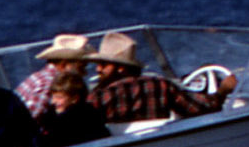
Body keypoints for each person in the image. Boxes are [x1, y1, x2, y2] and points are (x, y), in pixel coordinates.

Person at [86, 32, 236, 124]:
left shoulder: (98, 98)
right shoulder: (160, 85)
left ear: (120, 67)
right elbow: (201, 108)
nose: (98, 69)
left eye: (103, 64)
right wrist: (223, 90)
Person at [16, 34, 90, 118]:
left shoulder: (38, 77)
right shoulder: (48, 84)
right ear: (64, 65)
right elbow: (31, 120)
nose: (84, 73)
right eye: (81, 67)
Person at [35, 71, 111, 147]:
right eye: (53, 97)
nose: (53, 102)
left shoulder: (84, 121)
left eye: (59, 97)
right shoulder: (50, 119)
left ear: (74, 98)